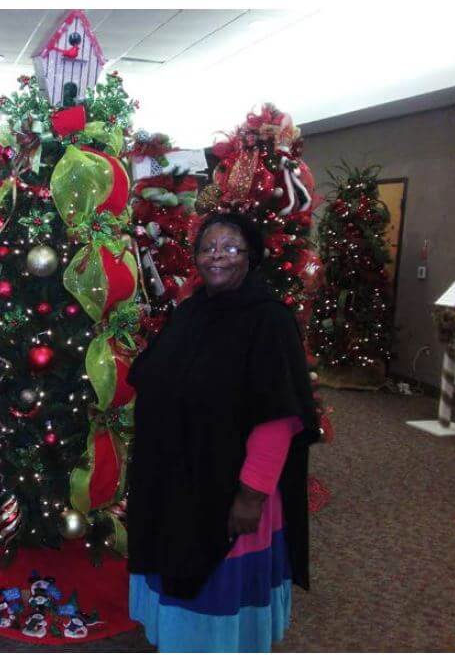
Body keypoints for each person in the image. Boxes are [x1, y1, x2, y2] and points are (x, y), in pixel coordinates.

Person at [126, 211, 319, 652]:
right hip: (177, 479)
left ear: (251, 257)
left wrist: (251, 495)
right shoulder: (193, 311)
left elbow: (277, 419)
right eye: (208, 247)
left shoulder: (269, 321)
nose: (217, 257)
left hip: (230, 485)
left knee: (214, 579)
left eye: (231, 248)